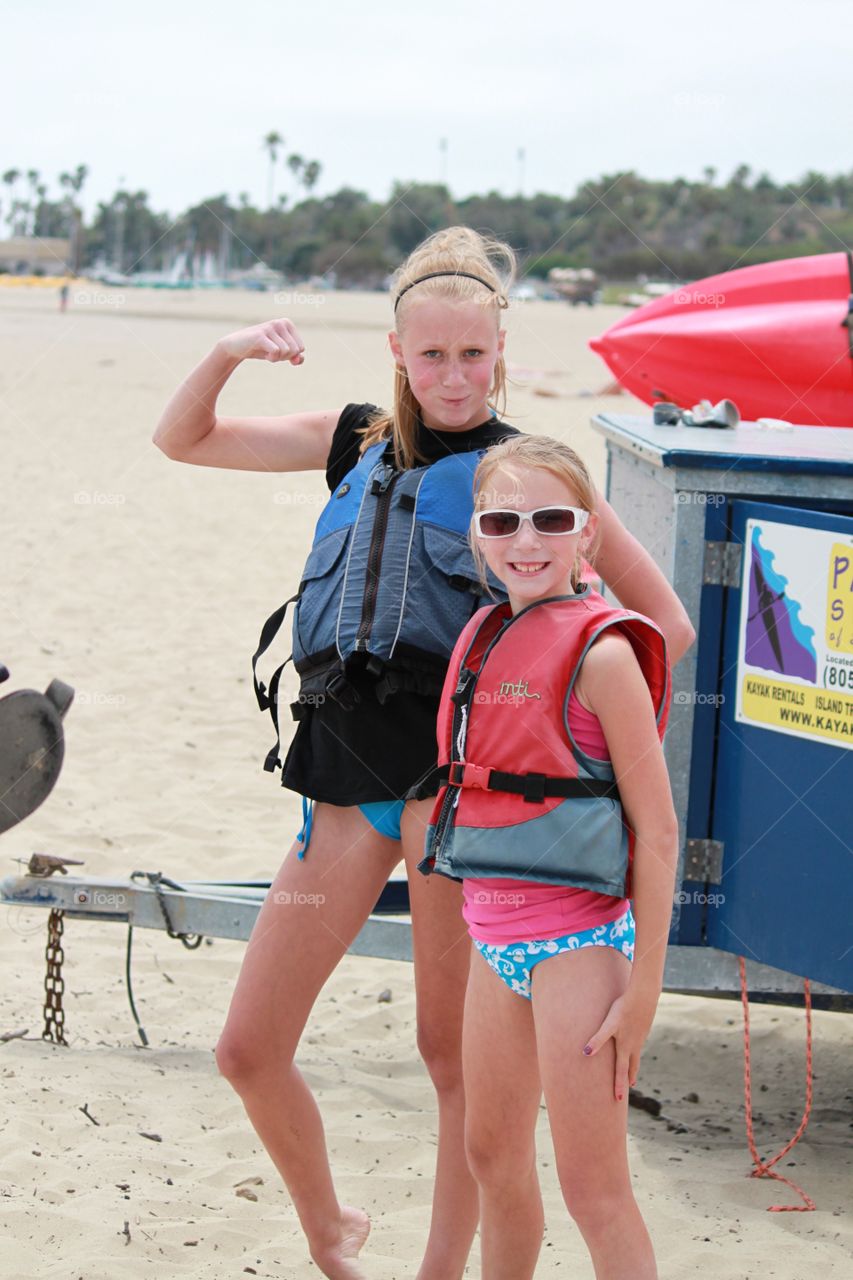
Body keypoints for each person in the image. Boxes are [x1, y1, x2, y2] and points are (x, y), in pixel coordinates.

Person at [153, 226, 694, 1280]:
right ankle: (329, 1231)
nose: (453, 376)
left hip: (463, 812)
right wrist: (225, 352)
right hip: (345, 792)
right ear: (396, 351)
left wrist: (576, 743)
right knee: (248, 1047)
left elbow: (660, 625)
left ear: (501, 352)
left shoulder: (530, 484)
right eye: (431, 355)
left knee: (451, 1064)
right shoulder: (351, 440)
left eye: (473, 356)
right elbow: (185, 438)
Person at [420, 433, 679, 1280]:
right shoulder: (486, 634)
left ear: (586, 536)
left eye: (550, 520)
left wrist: (641, 995)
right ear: (479, 539)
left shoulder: (604, 656)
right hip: (492, 942)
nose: (525, 541)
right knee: (491, 1156)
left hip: (580, 950)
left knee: (592, 1189)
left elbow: (660, 830)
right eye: (502, 521)